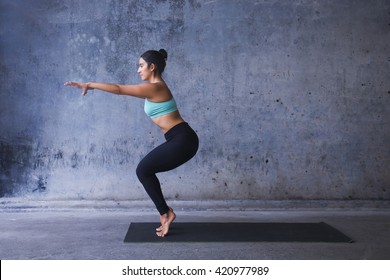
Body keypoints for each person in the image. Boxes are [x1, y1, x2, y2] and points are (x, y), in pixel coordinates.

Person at [64, 49, 199, 237]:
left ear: (152, 67)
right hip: (180, 138)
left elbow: (119, 89)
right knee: (144, 170)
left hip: (183, 139)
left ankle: (166, 214)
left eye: (141, 65)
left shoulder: (156, 87)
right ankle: (165, 213)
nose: (138, 70)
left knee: (143, 170)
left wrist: (89, 84)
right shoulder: (155, 88)